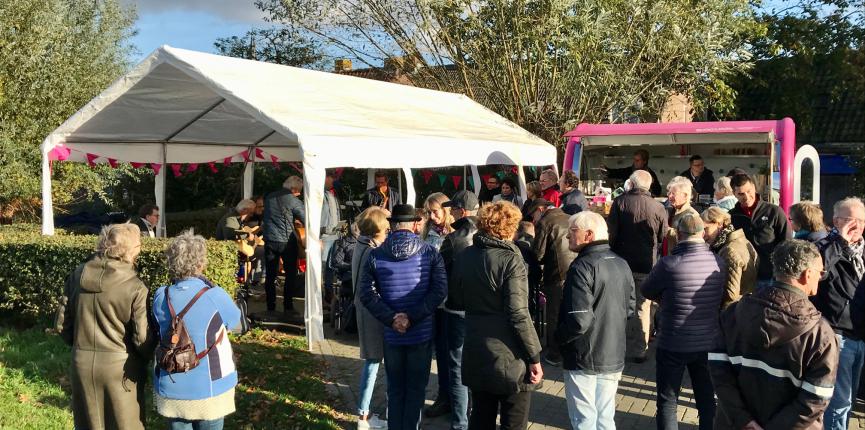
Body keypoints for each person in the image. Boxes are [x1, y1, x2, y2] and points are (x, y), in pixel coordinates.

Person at [710, 240, 838, 429]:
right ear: (807, 274)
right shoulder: (820, 334)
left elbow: (719, 373)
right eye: (821, 272)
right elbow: (816, 397)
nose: (821, 277)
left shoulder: (731, 314)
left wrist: (744, 421)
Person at [453, 201, 543, 430]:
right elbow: (518, 313)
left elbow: (455, 300)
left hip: (476, 346)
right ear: (511, 228)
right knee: (513, 420)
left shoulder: (465, 255)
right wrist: (534, 357)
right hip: (510, 351)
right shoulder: (511, 259)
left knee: (481, 415)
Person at [55, 223, 154, 430]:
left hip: (81, 363)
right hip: (121, 368)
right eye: (138, 246)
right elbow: (141, 338)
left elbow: (62, 325)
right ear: (129, 250)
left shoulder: (77, 275)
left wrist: (80, 346)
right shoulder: (136, 287)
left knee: (88, 424)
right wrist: (146, 359)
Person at [358, 204, 448, 430]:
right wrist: (411, 317)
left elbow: (366, 294)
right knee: (416, 390)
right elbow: (439, 291)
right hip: (421, 332)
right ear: (415, 225)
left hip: (392, 334)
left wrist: (392, 319)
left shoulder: (376, 254)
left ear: (392, 225)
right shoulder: (430, 253)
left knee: (395, 388)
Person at [641, 213, 726, 430]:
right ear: (702, 234)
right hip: (708, 341)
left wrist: (665, 299)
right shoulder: (718, 262)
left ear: (678, 235)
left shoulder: (668, 264)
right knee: (706, 399)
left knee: (668, 401)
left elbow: (646, 290)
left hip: (673, 341)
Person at [152, 230, 241, 430]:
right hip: (210, 387)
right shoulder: (215, 295)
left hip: (171, 382)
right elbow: (236, 324)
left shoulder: (161, 296)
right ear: (201, 263)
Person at [556, 211, 635, 430]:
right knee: (605, 417)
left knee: (584, 419)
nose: (567, 236)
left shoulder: (581, 267)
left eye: (572, 231)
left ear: (589, 234)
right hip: (612, 351)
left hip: (584, 354)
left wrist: (559, 338)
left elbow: (579, 320)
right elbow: (629, 308)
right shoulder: (621, 263)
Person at [811, 197, 865, 430]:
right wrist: (841, 241)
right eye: (850, 220)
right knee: (839, 402)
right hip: (837, 333)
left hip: (860, 333)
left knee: (850, 399)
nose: (857, 226)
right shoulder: (823, 246)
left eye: (861, 220)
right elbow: (818, 273)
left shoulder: (863, 250)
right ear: (836, 221)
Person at [608, 170, 668, 363]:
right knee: (643, 306)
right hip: (647, 263)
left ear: (631, 184)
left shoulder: (619, 202)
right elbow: (663, 236)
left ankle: (619, 345)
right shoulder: (659, 207)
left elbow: (612, 234)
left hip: (621, 262)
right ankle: (641, 349)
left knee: (621, 304)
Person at [431, 190, 480, 426]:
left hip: (456, 309)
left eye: (454, 209)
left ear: (462, 211)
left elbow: (440, 276)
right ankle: (474, 415)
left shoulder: (453, 239)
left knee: (457, 366)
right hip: (482, 311)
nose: (452, 212)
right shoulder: (490, 233)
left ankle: (460, 421)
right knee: (477, 364)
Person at [352, 207, 391, 430]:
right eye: (386, 229)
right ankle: (363, 415)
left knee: (373, 361)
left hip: (365, 309)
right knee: (374, 362)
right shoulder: (371, 251)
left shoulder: (362, 244)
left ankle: (364, 413)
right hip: (372, 311)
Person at [529, 198, 577, 366]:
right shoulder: (569, 217)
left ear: (541, 209)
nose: (533, 219)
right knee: (571, 311)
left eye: (533, 214)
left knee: (554, 314)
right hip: (575, 270)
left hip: (557, 273)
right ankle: (570, 348)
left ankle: (555, 353)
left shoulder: (545, 222)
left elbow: (538, 254)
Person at [728, 174, 791, 290]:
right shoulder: (732, 216)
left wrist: (782, 271)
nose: (746, 197)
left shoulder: (774, 211)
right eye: (741, 194)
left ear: (754, 187)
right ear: (734, 194)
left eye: (749, 191)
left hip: (770, 275)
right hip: (743, 275)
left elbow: (787, 243)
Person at [262, 175, 306, 314]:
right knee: (290, 275)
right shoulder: (294, 200)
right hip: (287, 242)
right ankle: (288, 306)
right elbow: (306, 219)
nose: (299, 193)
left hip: (270, 240)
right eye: (299, 191)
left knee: (270, 275)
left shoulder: (269, 197)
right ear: (294, 189)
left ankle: (270, 307)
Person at [701, 207, 758, 309]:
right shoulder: (739, 241)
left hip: (734, 310)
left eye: (706, 229)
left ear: (719, 224)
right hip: (744, 306)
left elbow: (730, 295)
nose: (703, 235)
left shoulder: (729, 250)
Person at [664, 176, 700, 254]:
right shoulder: (670, 210)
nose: (669, 196)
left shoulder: (692, 215)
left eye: (673, 193)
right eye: (669, 193)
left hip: (679, 257)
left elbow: (690, 238)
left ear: (685, 195)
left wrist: (665, 229)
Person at [322, 172, 342, 268]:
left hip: (334, 234)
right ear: (325, 178)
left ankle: (328, 279)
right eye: (332, 178)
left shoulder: (331, 194)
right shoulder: (318, 193)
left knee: (331, 265)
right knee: (323, 263)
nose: (333, 181)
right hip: (324, 235)